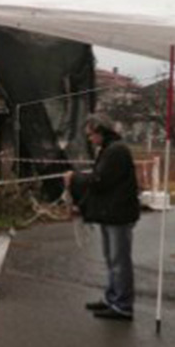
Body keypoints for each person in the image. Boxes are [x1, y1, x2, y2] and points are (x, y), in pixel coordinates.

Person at [64, 113, 140, 321]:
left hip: (119, 215)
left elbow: (99, 181)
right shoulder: (109, 149)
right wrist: (81, 203)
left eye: (91, 135)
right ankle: (112, 298)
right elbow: (100, 184)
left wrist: (74, 178)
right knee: (111, 258)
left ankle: (123, 305)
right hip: (112, 213)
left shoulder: (116, 151)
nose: (90, 139)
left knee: (119, 260)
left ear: (100, 132)